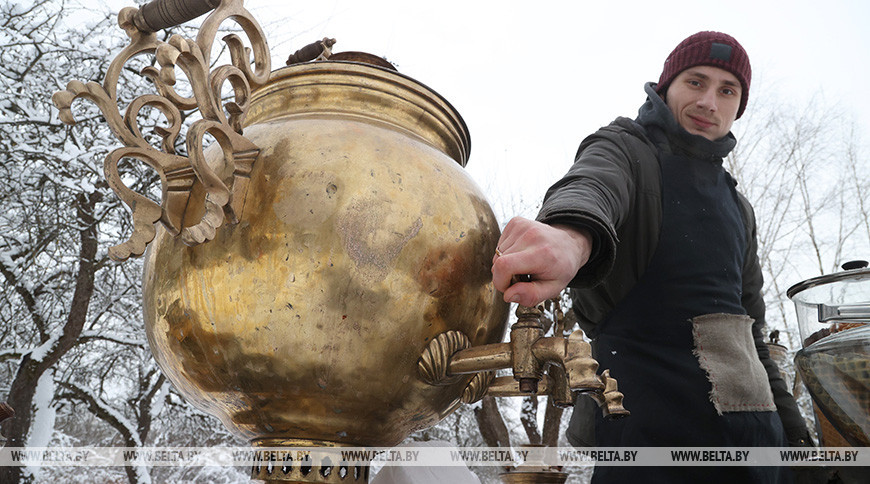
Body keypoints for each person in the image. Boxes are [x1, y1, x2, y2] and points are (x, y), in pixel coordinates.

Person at [491, 31, 813, 483]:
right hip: (648, 440)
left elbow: (754, 340)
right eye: (696, 82)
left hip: (758, 446)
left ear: (739, 106)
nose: (709, 102)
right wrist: (571, 237)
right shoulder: (626, 148)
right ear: (666, 87)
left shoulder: (740, 207)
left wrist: (798, 444)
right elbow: (593, 185)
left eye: (727, 90)